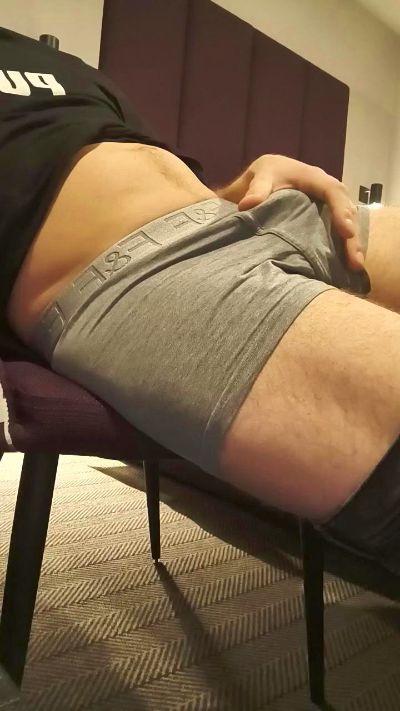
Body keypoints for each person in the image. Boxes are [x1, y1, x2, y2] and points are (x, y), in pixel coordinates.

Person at [1, 27, 400, 573]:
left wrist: (246, 181)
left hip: (261, 212)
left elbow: (154, 174)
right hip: (137, 270)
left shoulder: (57, 64)